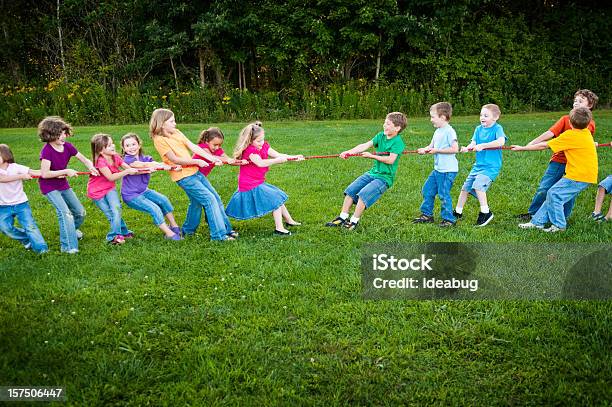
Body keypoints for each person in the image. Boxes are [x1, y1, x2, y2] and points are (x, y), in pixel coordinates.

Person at [149, 108, 237, 241]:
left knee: (204, 200)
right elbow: (174, 159)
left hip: (194, 173)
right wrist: (197, 161)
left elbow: (193, 146)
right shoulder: (159, 139)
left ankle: (189, 230)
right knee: (209, 199)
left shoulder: (176, 132)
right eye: (172, 121)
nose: (175, 124)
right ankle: (218, 236)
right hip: (184, 176)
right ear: (162, 123)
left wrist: (211, 158)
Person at [517, 89, 598, 221]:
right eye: (575, 101)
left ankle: (562, 216)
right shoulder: (566, 119)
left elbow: (582, 139)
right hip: (559, 160)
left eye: (580, 101)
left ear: (589, 105)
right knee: (545, 187)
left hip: (576, 165)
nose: (576, 103)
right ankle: (534, 213)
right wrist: (531, 143)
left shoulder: (589, 123)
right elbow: (550, 133)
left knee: (568, 193)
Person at [325, 112, 407, 230]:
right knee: (350, 191)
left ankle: (353, 221)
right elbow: (365, 145)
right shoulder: (381, 136)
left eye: (388, 124)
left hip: (384, 178)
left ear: (397, 128)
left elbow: (390, 160)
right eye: (385, 122)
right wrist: (349, 152)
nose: (384, 125)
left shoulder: (398, 142)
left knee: (364, 195)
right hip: (372, 173)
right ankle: (342, 217)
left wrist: (372, 156)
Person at [225, 121, 304, 236]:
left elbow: (278, 154)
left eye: (262, 139)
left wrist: (293, 157)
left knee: (277, 197)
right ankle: (279, 229)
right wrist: (277, 161)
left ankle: (289, 221)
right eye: (258, 141)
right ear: (250, 141)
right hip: (249, 184)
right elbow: (260, 163)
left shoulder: (264, 146)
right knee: (275, 199)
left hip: (258, 181)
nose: (261, 143)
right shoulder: (250, 151)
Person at [38, 116, 98, 254]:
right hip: (49, 186)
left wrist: (90, 166)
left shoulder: (68, 147)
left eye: (64, 133)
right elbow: (45, 174)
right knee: (65, 213)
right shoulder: (47, 151)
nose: (63, 136)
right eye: (59, 134)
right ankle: (68, 247)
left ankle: (70, 230)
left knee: (80, 212)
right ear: (50, 135)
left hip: (62, 184)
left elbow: (84, 159)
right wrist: (66, 171)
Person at [120, 133, 182, 240]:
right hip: (130, 195)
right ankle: (169, 234)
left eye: (133, 144)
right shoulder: (126, 160)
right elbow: (140, 165)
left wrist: (171, 167)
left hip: (143, 191)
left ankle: (174, 226)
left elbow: (154, 163)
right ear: (124, 148)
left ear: (139, 145)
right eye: (127, 146)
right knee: (154, 208)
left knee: (163, 200)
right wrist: (152, 166)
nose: (131, 148)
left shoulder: (146, 158)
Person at [453, 104, 506, 227]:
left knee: (478, 186)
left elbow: (501, 142)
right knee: (465, 188)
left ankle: (485, 212)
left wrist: (483, 145)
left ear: (495, 117)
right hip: (478, 165)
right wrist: (468, 148)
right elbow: (474, 142)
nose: (482, 117)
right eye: (481, 115)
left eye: (486, 115)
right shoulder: (478, 129)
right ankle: (458, 212)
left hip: (491, 166)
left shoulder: (497, 129)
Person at [412, 102, 459, 227]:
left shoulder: (449, 132)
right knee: (427, 190)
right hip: (438, 169)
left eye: (433, 117)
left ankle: (449, 219)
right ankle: (427, 215)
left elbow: (455, 149)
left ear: (443, 117)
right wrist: (425, 149)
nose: (430, 119)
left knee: (444, 194)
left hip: (448, 170)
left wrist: (437, 151)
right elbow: (431, 146)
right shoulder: (438, 131)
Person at [87, 134, 139, 245]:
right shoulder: (100, 162)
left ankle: (118, 234)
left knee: (116, 209)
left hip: (109, 188)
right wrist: (126, 172)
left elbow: (127, 167)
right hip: (96, 192)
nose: (113, 146)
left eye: (112, 143)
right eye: (109, 145)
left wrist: (139, 170)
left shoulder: (115, 156)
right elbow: (110, 177)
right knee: (111, 214)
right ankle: (117, 235)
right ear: (101, 150)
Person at [0, 144, 48, 253]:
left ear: (5, 155)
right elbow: (2, 179)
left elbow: (35, 172)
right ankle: (26, 238)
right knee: (5, 228)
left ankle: (42, 249)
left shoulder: (16, 167)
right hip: (3, 206)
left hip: (21, 203)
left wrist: (52, 173)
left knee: (30, 226)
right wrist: (21, 176)